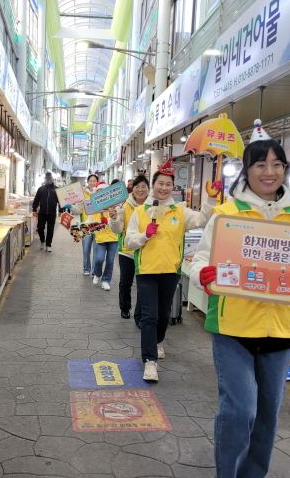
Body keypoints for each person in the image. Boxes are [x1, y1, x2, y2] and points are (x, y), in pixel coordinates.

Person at [189, 120, 290, 478]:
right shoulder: (227, 215)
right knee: (240, 409)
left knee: (268, 415)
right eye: (260, 164)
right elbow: (199, 260)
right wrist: (204, 275)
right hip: (232, 326)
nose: (269, 172)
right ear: (248, 170)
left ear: (285, 169)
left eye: (277, 164)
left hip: (282, 330)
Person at [125, 158, 214, 382]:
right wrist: (145, 235)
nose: (164, 188)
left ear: (173, 188)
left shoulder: (180, 211)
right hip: (146, 271)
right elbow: (129, 241)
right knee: (149, 316)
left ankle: (158, 341)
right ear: (153, 185)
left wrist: (211, 198)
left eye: (168, 184)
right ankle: (150, 362)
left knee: (164, 315)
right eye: (160, 183)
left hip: (170, 271)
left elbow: (203, 219)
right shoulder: (141, 212)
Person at [108, 175, 150, 323]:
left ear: (148, 189)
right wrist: (113, 218)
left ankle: (139, 314)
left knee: (143, 285)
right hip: (127, 251)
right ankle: (125, 308)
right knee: (125, 282)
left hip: (146, 251)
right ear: (132, 188)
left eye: (143, 187)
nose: (140, 190)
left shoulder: (153, 206)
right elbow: (118, 229)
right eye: (137, 187)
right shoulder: (124, 206)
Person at [90, 182, 118, 291]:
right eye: (98, 193)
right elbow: (90, 223)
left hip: (113, 237)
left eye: (103, 193)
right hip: (101, 237)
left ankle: (106, 280)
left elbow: (118, 219)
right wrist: (98, 223)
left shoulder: (114, 205)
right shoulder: (94, 207)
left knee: (110, 260)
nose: (101, 195)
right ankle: (97, 273)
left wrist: (112, 218)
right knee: (99, 259)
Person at [31, 172, 59, 252]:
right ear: (45, 179)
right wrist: (34, 209)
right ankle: (42, 241)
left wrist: (61, 210)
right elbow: (36, 200)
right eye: (47, 178)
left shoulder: (56, 189)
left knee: (50, 230)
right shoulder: (41, 189)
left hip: (52, 213)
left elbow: (60, 201)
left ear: (52, 179)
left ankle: (48, 245)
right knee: (40, 228)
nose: (48, 180)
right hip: (42, 213)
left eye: (50, 178)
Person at [78, 174, 98, 275]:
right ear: (87, 182)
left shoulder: (100, 194)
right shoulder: (82, 193)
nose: (92, 183)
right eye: (90, 181)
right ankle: (86, 269)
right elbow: (78, 209)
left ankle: (94, 270)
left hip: (98, 226)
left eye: (94, 181)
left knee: (96, 250)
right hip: (85, 225)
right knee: (86, 249)